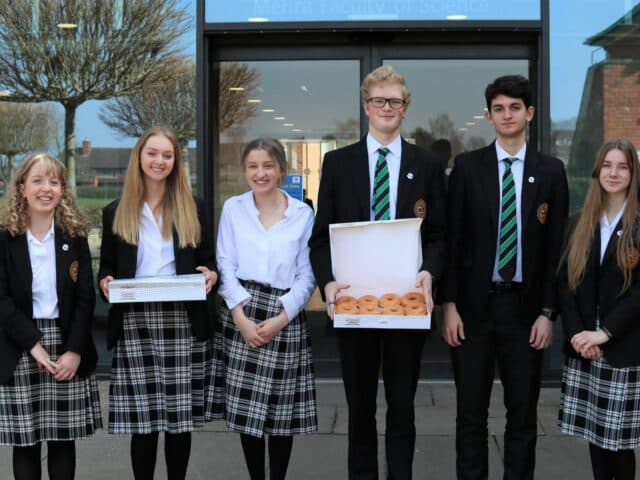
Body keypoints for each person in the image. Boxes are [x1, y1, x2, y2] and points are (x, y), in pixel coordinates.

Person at [309, 65, 446, 479]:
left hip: (408, 304)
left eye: (396, 101)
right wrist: (328, 284)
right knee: (360, 410)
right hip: (355, 306)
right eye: (379, 100)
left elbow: (439, 235)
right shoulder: (337, 163)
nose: (387, 108)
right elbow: (320, 239)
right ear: (366, 107)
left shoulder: (427, 164)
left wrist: (429, 273)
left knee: (403, 409)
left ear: (406, 109)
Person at [439, 74, 569, 479]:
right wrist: (450, 305)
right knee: (470, 416)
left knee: (523, 417)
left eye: (515, 107)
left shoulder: (551, 171)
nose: (507, 115)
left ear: (529, 113)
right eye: (499, 108)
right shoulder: (466, 168)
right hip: (473, 312)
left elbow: (556, 251)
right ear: (488, 116)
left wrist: (548, 312)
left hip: (526, 312)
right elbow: (452, 241)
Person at [98, 126, 217, 479]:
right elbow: (106, 263)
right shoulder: (115, 211)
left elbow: (209, 260)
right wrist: (104, 279)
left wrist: (210, 273)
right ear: (139, 157)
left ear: (176, 162)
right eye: (152, 153)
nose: (159, 161)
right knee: (143, 420)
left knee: (179, 421)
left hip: (181, 320)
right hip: (135, 322)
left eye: (167, 155)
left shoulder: (193, 207)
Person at [212, 137, 317, 480]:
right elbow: (225, 265)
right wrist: (240, 317)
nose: (261, 173)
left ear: (282, 170)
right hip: (241, 309)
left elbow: (307, 275)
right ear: (244, 170)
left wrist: (282, 317)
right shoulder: (233, 209)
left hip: (285, 314)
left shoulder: (302, 214)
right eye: (253, 166)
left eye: (268, 166)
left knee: (282, 413)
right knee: (248, 413)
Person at [0, 153, 102, 479]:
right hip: (19, 346)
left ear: (62, 191)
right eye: (38, 180)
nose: (46, 188)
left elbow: (86, 297)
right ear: (21, 188)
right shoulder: (4, 237)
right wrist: (33, 344)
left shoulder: (75, 235)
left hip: (66, 342)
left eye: (54, 182)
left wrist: (73, 351)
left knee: (62, 441)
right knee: (26, 442)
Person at [557, 138, 640, 480]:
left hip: (621, 345)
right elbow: (564, 281)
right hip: (585, 347)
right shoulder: (580, 221)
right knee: (595, 435)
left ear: (634, 173)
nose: (614, 173)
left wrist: (604, 334)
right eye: (607, 165)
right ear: (597, 171)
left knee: (617, 442)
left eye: (622, 166)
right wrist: (579, 333)